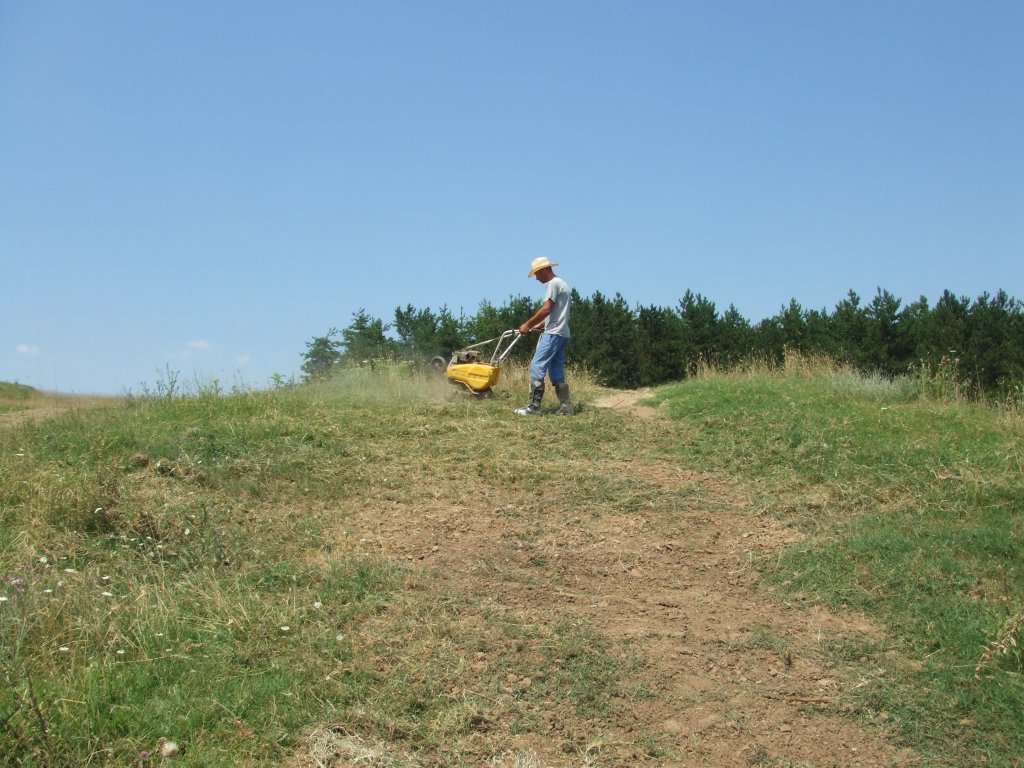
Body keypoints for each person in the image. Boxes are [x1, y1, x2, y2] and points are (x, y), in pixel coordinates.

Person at [515, 256, 573, 416]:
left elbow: (547, 309)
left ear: (544, 270)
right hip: (562, 333)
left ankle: (534, 408)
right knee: (556, 370)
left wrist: (527, 324)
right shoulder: (563, 284)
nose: (537, 278)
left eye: (537, 274)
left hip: (554, 332)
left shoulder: (552, 284)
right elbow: (556, 313)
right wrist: (538, 325)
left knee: (537, 364)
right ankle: (566, 407)